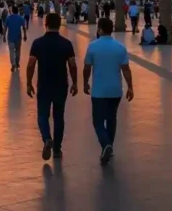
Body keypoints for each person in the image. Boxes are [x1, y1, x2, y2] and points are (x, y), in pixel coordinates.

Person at [27, 13, 77, 160]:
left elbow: (31, 65)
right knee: (59, 116)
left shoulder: (38, 43)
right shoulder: (66, 44)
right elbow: (72, 65)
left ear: (46, 23)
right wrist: (75, 83)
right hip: (61, 85)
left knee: (42, 115)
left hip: (44, 84)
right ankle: (57, 149)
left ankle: (47, 138)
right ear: (59, 24)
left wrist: (29, 83)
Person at [83, 17, 133, 166]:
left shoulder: (93, 46)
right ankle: (109, 146)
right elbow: (126, 69)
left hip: (99, 91)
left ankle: (106, 145)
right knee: (111, 119)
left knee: (98, 121)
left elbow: (87, 67)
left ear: (100, 29)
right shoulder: (120, 47)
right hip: (115, 90)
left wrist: (85, 82)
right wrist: (130, 87)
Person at [6, 7, 27, 71]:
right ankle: (17, 63)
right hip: (18, 37)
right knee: (18, 50)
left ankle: (13, 64)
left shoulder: (8, 18)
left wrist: (4, 36)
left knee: (11, 51)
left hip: (10, 37)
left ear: (12, 11)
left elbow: (5, 28)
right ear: (17, 11)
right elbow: (24, 27)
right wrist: (25, 35)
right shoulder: (21, 18)